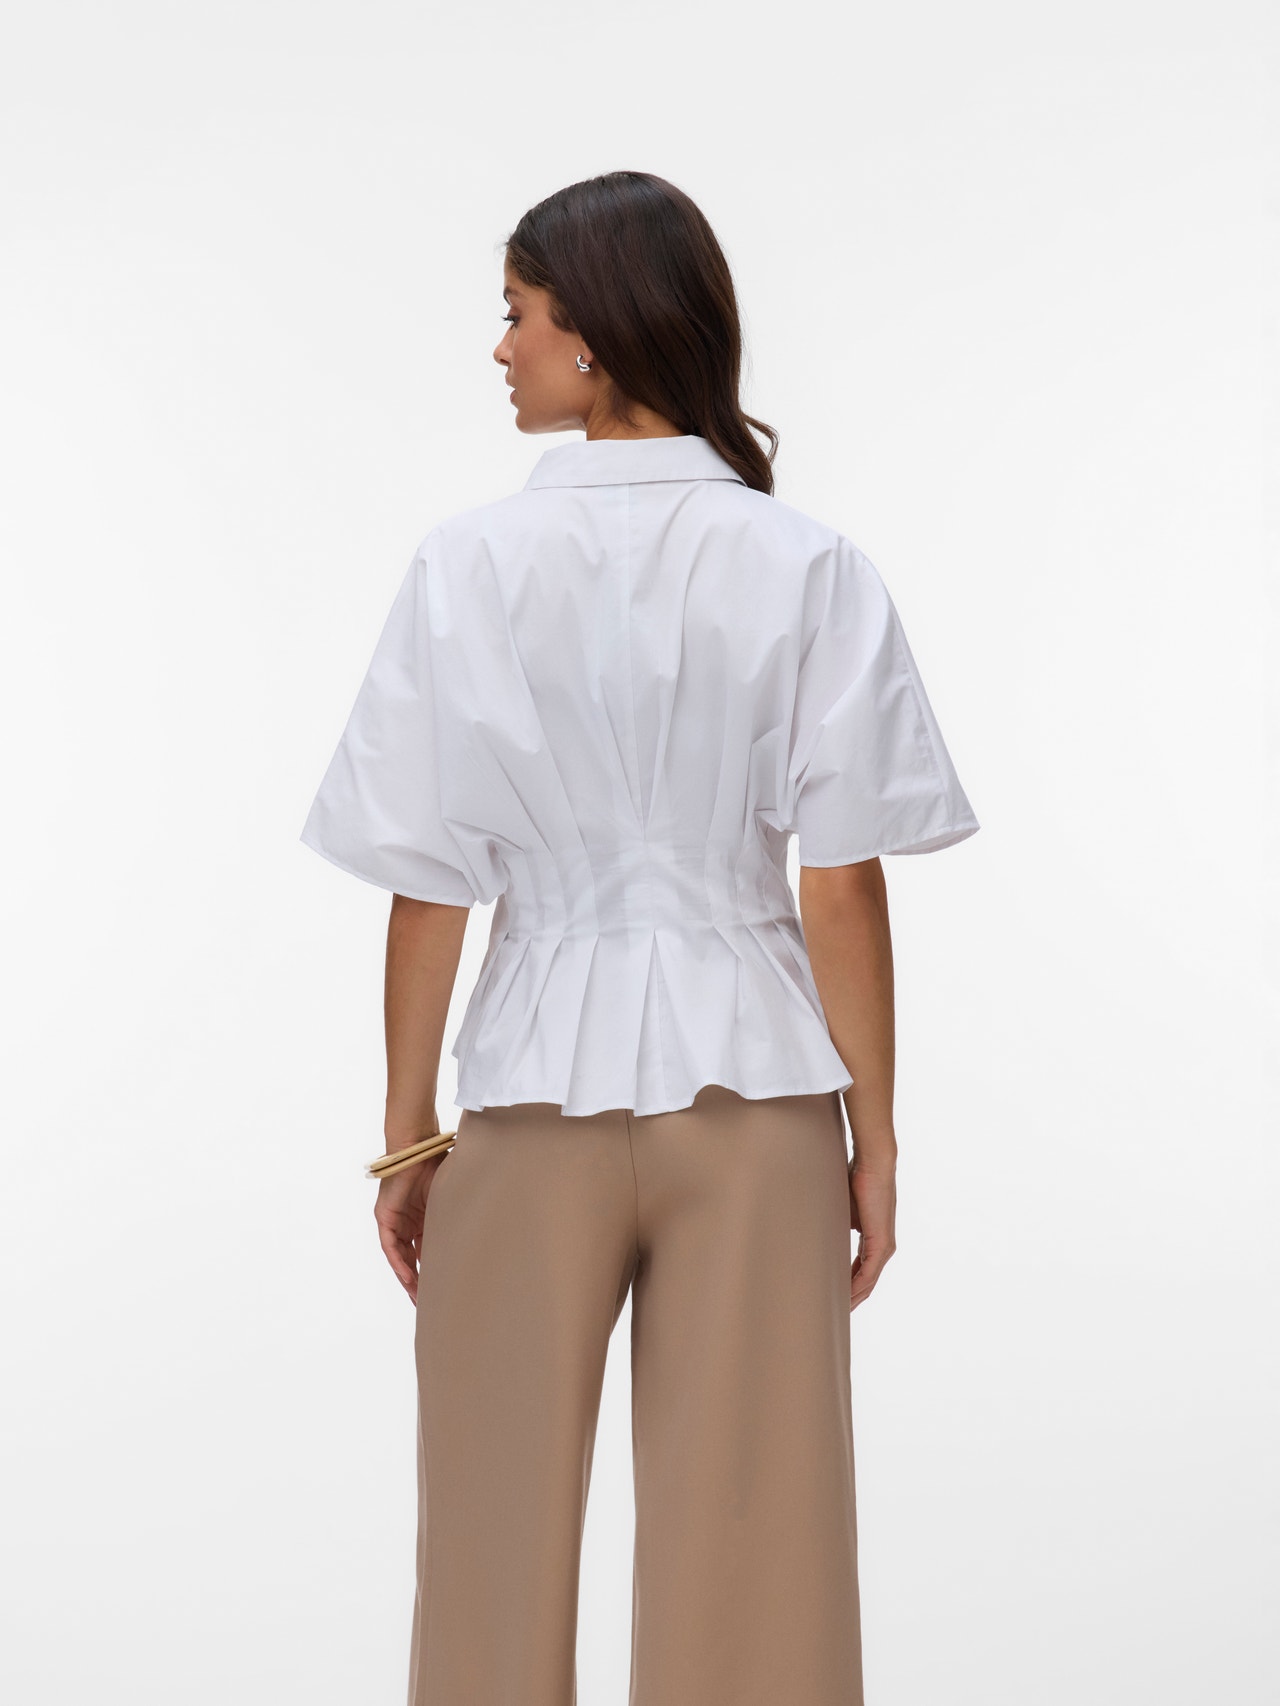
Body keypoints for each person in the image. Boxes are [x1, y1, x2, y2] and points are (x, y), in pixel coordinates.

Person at [299, 170, 980, 1706]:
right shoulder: (807, 565)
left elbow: (430, 882)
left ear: (594, 334)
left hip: (527, 1096)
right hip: (758, 1102)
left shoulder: (468, 564)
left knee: (486, 1555)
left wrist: (410, 1139)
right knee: (761, 1561)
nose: (501, 349)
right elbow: (839, 884)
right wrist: (874, 1142)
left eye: (517, 315)